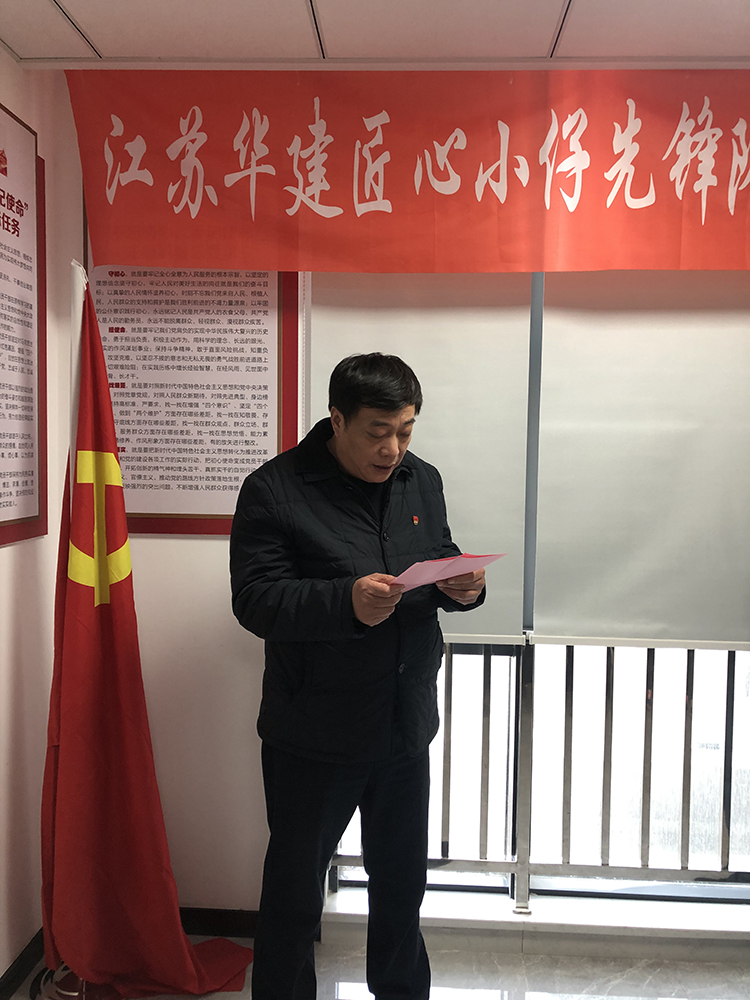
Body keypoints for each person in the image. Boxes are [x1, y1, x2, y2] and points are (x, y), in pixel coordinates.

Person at [230, 353, 485, 1000]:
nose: (393, 448)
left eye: (406, 430)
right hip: (313, 733)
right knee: (294, 897)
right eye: (378, 431)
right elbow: (256, 600)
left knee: (401, 886)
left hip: (404, 720)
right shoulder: (274, 488)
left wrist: (463, 583)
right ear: (337, 419)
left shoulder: (420, 479)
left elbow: (437, 554)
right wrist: (345, 601)